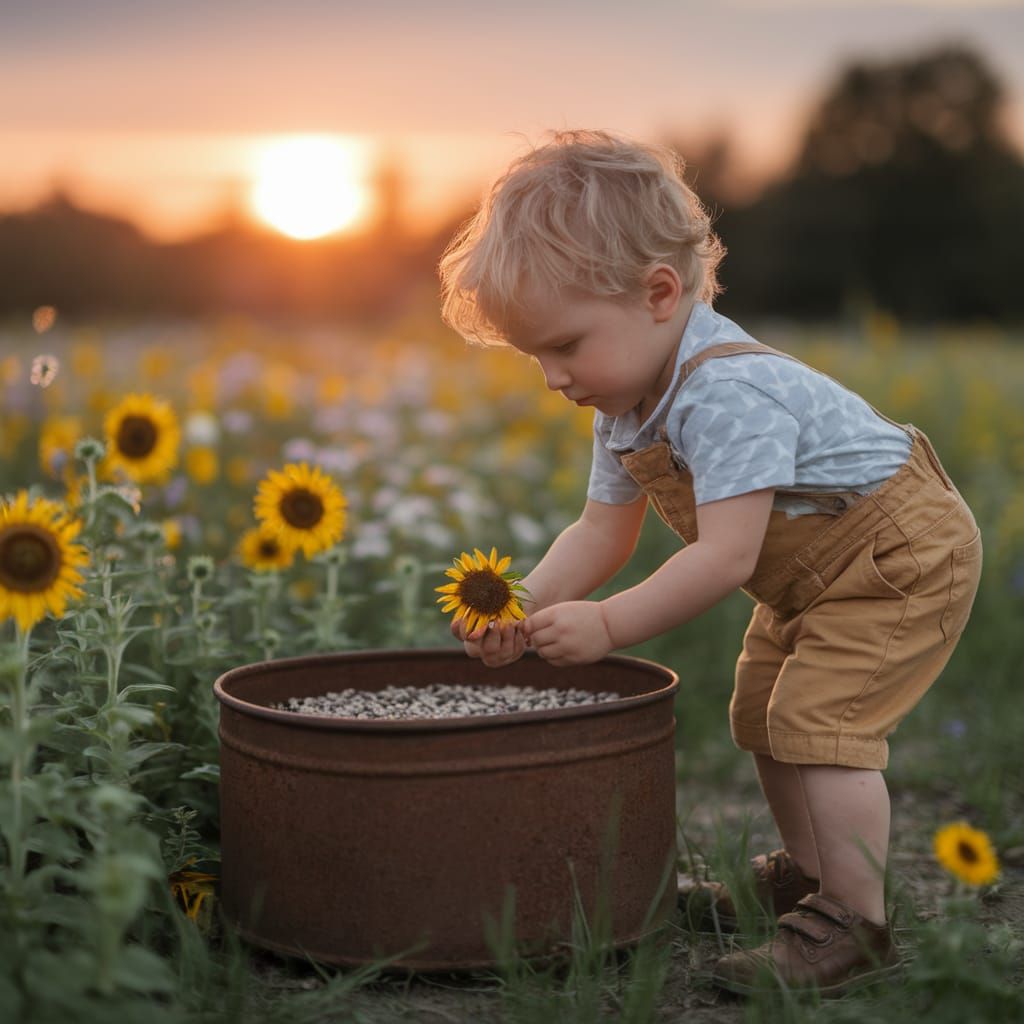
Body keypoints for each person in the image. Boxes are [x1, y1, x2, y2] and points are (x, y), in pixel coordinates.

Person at [437, 129, 982, 996]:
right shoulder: (625, 408)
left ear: (659, 293)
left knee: (822, 722)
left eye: (566, 345)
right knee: (762, 712)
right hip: (813, 567)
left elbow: (727, 556)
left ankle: (858, 919)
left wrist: (609, 623)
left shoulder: (726, 392)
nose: (551, 376)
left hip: (896, 553)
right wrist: (525, 600)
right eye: (534, 355)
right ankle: (809, 878)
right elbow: (599, 531)